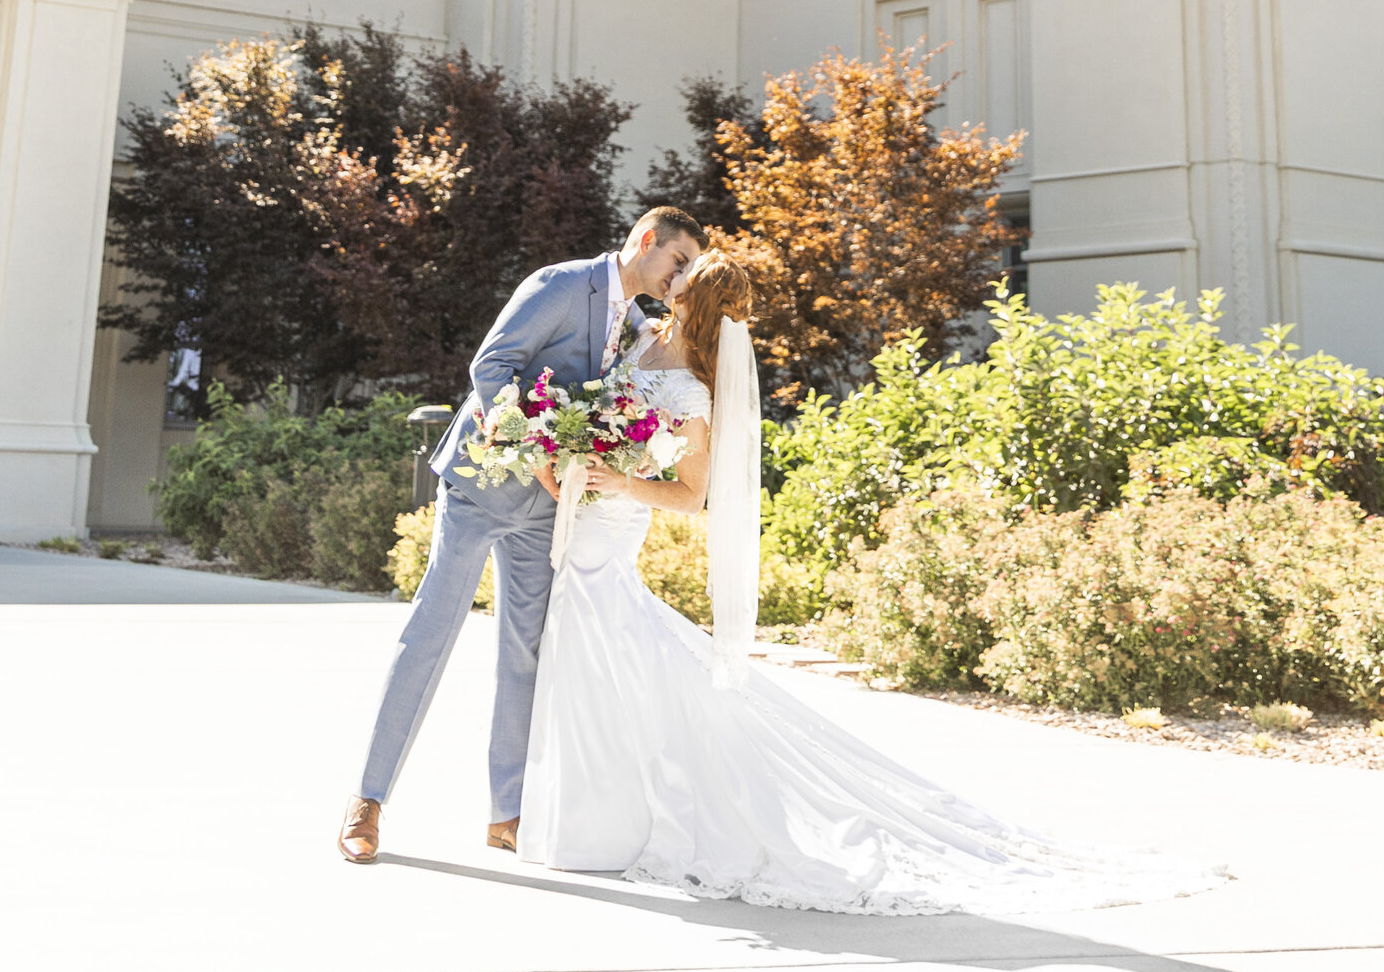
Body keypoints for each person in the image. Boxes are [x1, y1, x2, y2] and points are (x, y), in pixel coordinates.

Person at [517, 247, 1214, 916]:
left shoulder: (694, 392)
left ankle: (607, 826)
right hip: (584, 516)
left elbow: (692, 495)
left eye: (686, 276)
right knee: (590, 659)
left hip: (614, 524)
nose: (674, 278)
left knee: (609, 650)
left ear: (697, 299)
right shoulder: (639, 343)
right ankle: (582, 818)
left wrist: (622, 480)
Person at [338, 206, 704, 865]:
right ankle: (367, 801)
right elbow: (491, 368)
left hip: (549, 509)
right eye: (678, 262)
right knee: (429, 636)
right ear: (647, 241)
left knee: (526, 652)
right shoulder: (561, 285)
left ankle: (506, 813)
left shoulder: (643, 326)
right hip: (482, 486)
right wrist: (537, 455)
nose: (681, 278)